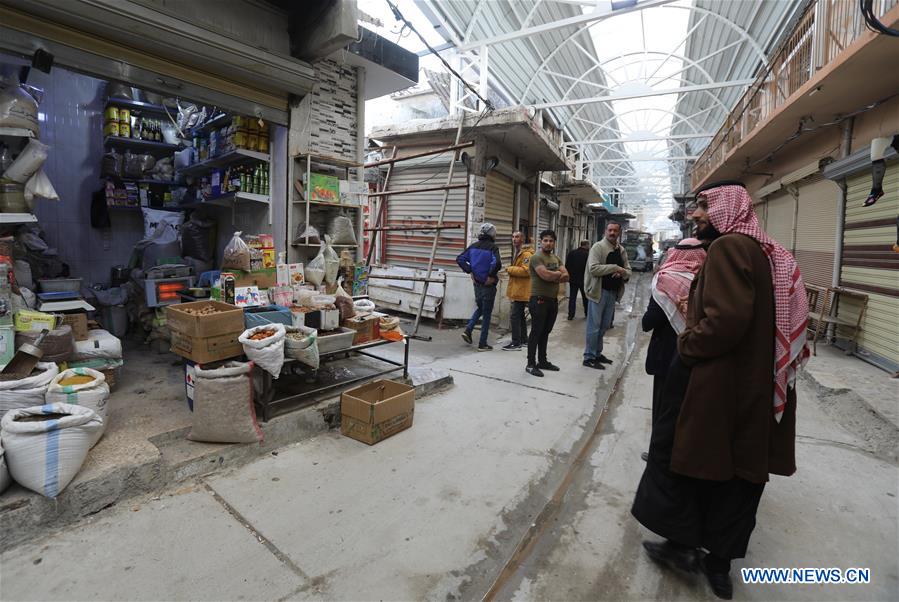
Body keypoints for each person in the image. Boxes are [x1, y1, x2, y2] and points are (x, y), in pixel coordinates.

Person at [631, 182, 810, 599]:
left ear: (729, 210)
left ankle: (684, 548)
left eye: (704, 207)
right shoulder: (766, 252)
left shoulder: (730, 248)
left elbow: (724, 322)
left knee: (691, 461)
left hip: (722, 385)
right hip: (754, 385)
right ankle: (715, 564)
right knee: (737, 473)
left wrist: (687, 348)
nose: (695, 215)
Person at [639, 238, 707, 462]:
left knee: (663, 407)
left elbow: (650, 321)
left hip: (666, 355)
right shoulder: (707, 281)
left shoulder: (665, 280)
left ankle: (659, 453)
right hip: (695, 354)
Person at [583, 223, 631, 369]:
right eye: (609, 230)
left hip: (612, 293)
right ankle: (589, 357)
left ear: (619, 232)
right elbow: (593, 269)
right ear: (605, 231)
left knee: (604, 326)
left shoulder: (621, 250)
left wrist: (622, 272)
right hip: (598, 292)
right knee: (594, 326)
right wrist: (615, 268)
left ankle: (597, 353)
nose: (612, 233)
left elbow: (628, 270)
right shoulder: (598, 247)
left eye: (615, 230)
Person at [525, 229, 568, 377]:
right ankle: (530, 364)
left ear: (554, 243)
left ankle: (542, 361)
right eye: (545, 240)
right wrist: (556, 274)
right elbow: (545, 275)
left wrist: (554, 275)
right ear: (541, 242)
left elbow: (567, 275)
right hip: (539, 300)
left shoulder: (556, 258)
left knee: (545, 332)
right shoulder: (537, 257)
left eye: (551, 241)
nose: (548, 243)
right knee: (536, 332)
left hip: (552, 301)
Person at [456, 223, 502, 351]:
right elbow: (497, 263)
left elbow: (460, 259)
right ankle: (482, 343)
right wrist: (490, 275)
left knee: (481, 307)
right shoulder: (493, 248)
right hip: (488, 285)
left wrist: (470, 270)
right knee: (487, 314)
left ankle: (468, 330)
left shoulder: (473, 247)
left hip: (476, 284)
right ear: (492, 234)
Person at [502, 231, 534, 351]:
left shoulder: (526, 254)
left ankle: (516, 342)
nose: (514, 239)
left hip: (522, 290)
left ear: (522, 239)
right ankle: (523, 340)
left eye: (517, 237)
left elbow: (526, 271)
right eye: (513, 237)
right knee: (520, 316)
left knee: (515, 316)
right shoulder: (520, 252)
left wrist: (510, 269)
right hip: (519, 289)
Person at [565, 240, 590, 320]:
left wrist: (569, 276)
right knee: (585, 298)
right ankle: (587, 314)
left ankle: (570, 315)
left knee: (572, 298)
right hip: (583, 280)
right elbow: (589, 269)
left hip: (573, 280)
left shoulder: (572, 253)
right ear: (586, 245)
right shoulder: (587, 255)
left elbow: (567, 265)